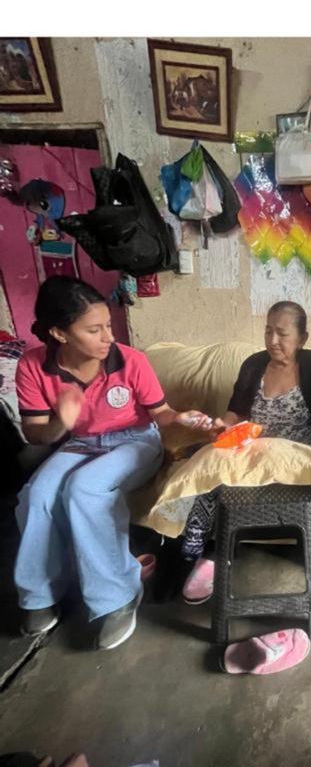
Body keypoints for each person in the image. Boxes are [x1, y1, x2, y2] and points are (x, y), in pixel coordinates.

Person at [14, 277, 217, 650]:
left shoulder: (129, 360)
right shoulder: (33, 366)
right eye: (94, 330)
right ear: (59, 333)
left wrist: (181, 417)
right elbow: (35, 434)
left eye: (108, 325)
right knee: (37, 494)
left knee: (84, 489)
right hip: (80, 444)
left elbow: (161, 414)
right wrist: (61, 423)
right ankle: (40, 592)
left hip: (135, 440)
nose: (108, 336)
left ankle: (118, 595)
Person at [182, 300, 311, 598]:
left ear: (302, 338)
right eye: (268, 331)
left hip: (299, 452)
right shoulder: (253, 364)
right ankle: (198, 553)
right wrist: (220, 425)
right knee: (210, 477)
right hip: (254, 450)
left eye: (282, 333)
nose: (273, 340)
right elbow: (234, 414)